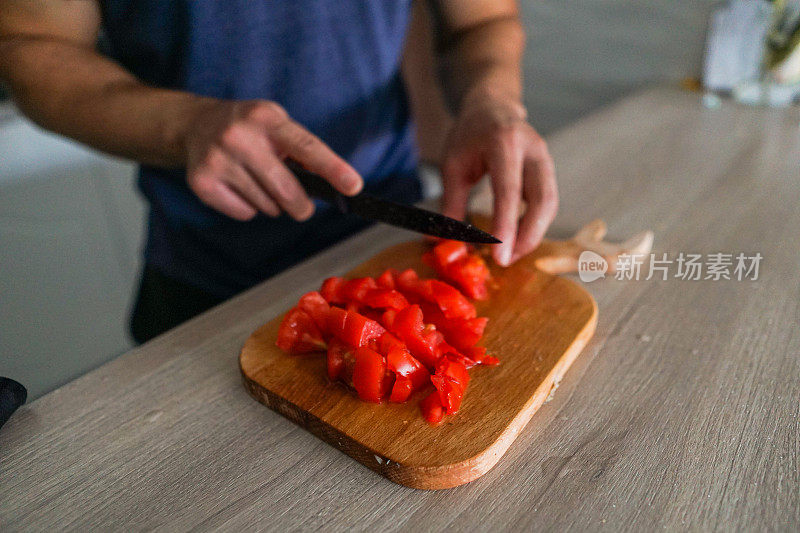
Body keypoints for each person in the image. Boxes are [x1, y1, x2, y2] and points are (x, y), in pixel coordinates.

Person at [0, 0, 557, 343]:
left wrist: (493, 100)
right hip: (204, 278)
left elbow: (482, 20)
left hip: (392, 241)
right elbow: (28, 43)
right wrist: (184, 125)